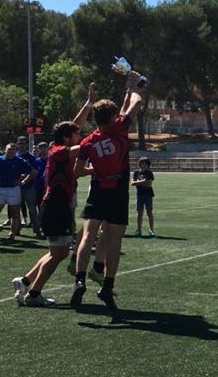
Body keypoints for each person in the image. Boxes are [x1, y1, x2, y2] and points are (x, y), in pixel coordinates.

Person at [72, 71, 145, 310]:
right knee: (115, 239)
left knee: (88, 235)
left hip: (98, 191)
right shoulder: (121, 128)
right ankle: (107, 285)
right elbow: (137, 103)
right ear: (114, 117)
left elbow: (78, 171)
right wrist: (134, 85)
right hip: (117, 192)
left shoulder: (88, 141)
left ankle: (80, 279)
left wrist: (97, 170)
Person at [12, 121, 83, 307]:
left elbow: (77, 135)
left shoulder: (59, 148)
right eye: (77, 134)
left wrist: (88, 105)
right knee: (59, 254)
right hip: (56, 207)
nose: (80, 136)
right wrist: (102, 136)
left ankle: (25, 282)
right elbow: (83, 147)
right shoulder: (59, 151)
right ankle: (34, 294)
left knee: (56, 252)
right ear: (67, 137)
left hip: (56, 206)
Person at [0, 143, 34, 242]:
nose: (11, 151)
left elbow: (32, 171)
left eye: (13, 150)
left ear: (16, 151)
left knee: (15, 214)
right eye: (9, 149)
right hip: (0, 189)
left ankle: (12, 235)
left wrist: (23, 181)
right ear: (5, 149)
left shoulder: (19, 161)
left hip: (14, 189)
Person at [17, 136, 42, 236]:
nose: (21, 145)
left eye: (23, 143)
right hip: (16, 187)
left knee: (32, 210)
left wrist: (25, 180)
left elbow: (35, 172)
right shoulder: (14, 156)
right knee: (15, 209)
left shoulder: (31, 157)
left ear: (26, 145)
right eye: (20, 143)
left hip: (29, 187)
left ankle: (36, 230)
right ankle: (16, 229)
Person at [132, 156, 156, 237]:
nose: (143, 165)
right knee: (140, 213)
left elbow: (149, 185)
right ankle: (138, 230)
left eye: (145, 163)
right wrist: (143, 181)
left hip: (148, 195)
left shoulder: (149, 173)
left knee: (149, 212)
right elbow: (132, 183)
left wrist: (138, 182)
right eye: (142, 163)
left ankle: (151, 229)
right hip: (139, 195)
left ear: (148, 164)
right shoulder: (136, 172)